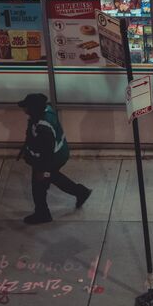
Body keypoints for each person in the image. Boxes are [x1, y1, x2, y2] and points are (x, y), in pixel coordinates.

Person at [18, 92, 91, 224]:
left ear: (33, 109)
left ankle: (42, 214)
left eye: (27, 107)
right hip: (57, 156)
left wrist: (41, 170)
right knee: (53, 177)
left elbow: (46, 152)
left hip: (49, 161)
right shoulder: (47, 112)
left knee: (39, 186)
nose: (24, 109)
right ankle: (81, 192)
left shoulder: (43, 127)